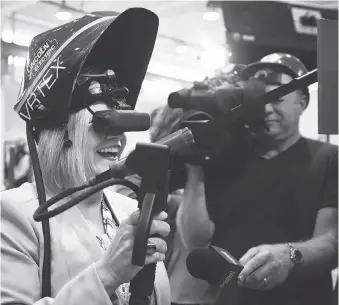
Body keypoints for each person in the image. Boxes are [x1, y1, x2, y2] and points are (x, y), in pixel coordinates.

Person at [1, 9, 171, 305]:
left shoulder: (128, 208)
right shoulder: (15, 214)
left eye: (123, 123)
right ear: (62, 132)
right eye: (105, 123)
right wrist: (107, 274)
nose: (118, 137)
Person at [176, 53, 338, 305]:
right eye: (258, 100)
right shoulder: (224, 157)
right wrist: (195, 168)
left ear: (303, 102)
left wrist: (290, 255)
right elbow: (195, 240)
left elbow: (332, 245)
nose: (267, 109)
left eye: (278, 99)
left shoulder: (328, 158)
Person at [115, 104, 215, 305]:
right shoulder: (142, 173)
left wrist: (195, 170)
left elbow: (198, 235)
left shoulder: (207, 177)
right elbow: (126, 209)